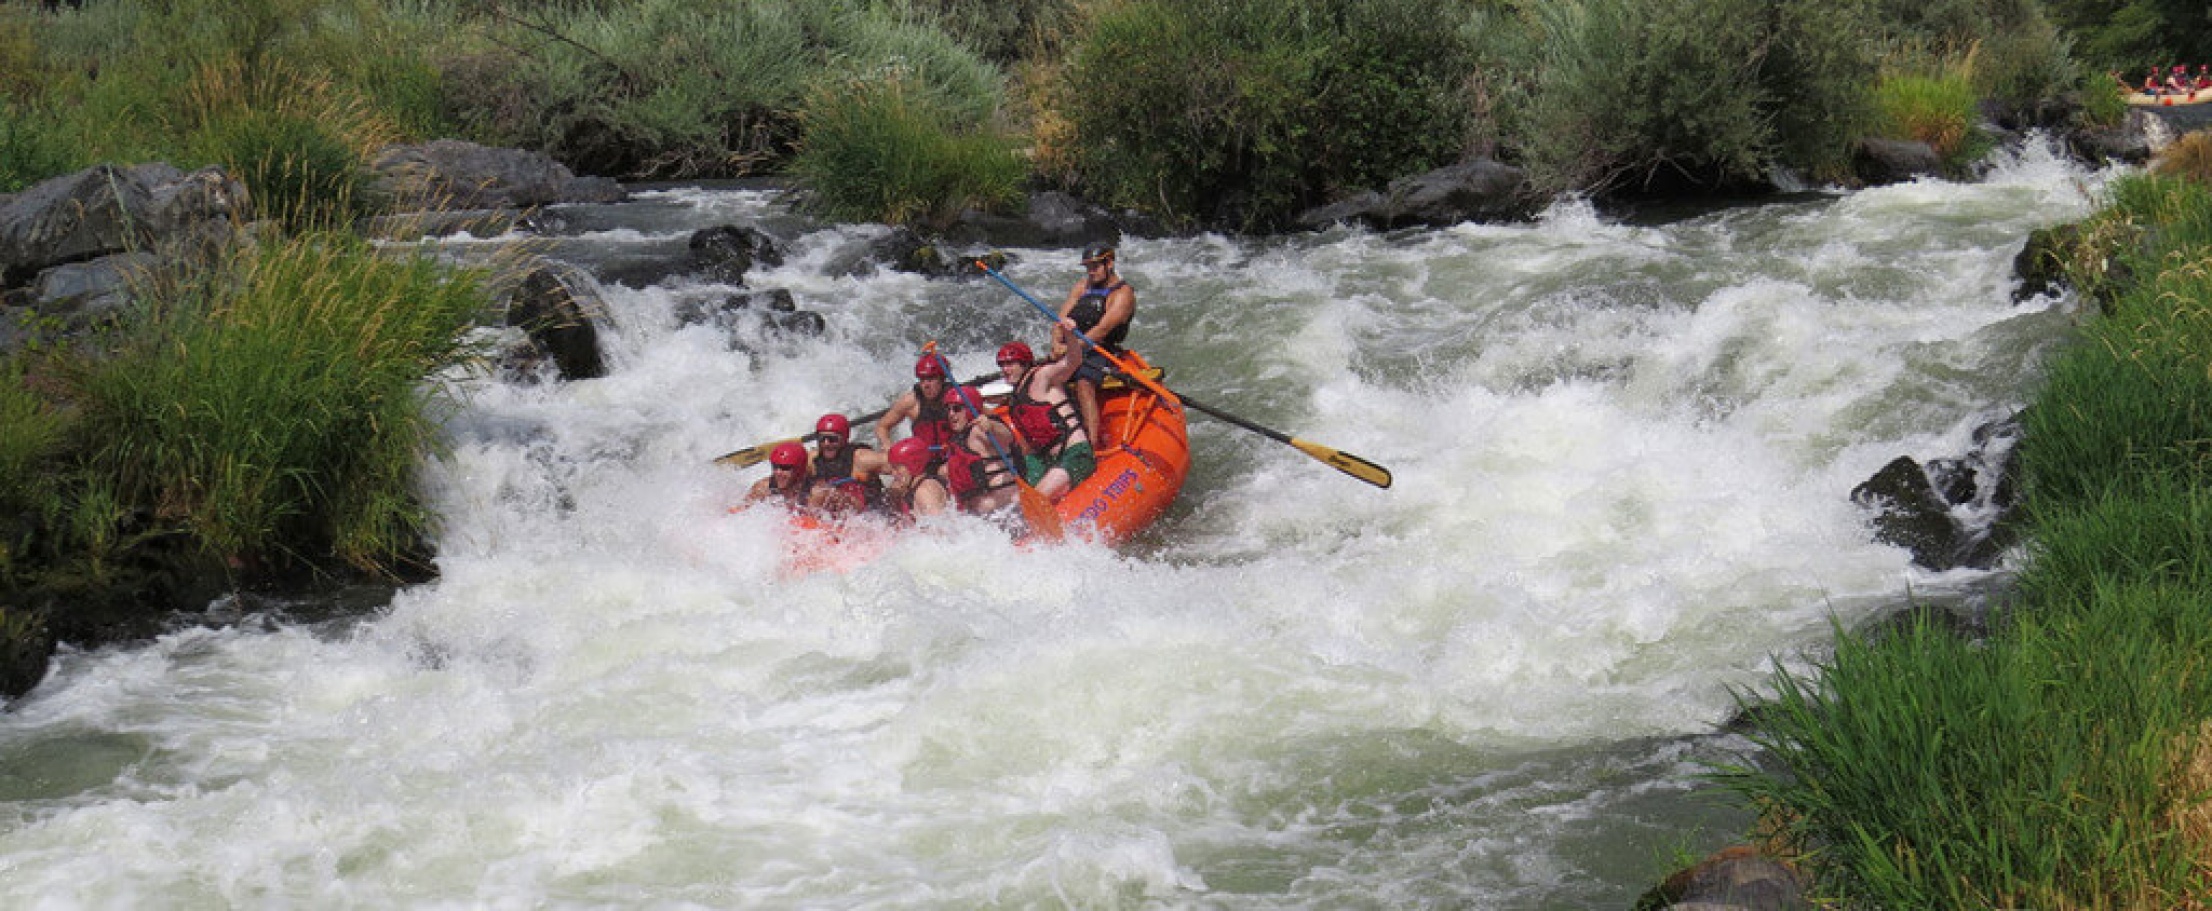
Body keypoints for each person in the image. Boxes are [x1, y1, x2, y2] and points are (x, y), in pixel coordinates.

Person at [1057, 242, 1135, 450]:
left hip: (1101, 349)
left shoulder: (1122, 293)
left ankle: (1090, 443)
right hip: (1072, 348)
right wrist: (1056, 343)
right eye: (1087, 267)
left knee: (1083, 382)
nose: (1090, 272)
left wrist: (1072, 348)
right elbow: (1060, 319)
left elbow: (1102, 330)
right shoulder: (1081, 287)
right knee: (1044, 380)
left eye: (1095, 266)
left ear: (1109, 263)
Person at [996, 334, 1093, 501]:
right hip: (1046, 460)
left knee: (1035, 497)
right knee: (1015, 500)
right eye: (1002, 365)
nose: (1005, 370)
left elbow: (1073, 361)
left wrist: (1070, 335)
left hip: (1075, 455)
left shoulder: (1043, 377)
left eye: (1010, 364)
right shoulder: (1016, 399)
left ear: (1025, 363)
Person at [938, 385, 1022, 516]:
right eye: (947, 410)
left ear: (970, 409)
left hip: (1007, 511)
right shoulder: (960, 437)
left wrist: (991, 426)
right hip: (980, 518)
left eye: (957, 409)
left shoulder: (980, 431)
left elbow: (1008, 437)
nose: (951, 414)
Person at [873, 354, 955, 470]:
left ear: (942, 379)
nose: (926, 385)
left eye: (931, 379)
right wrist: (887, 445)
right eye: (922, 380)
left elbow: (983, 416)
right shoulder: (911, 402)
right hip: (923, 464)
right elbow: (882, 426)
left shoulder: (957, 397)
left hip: (952, 461)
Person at [806, 413, 886, 515]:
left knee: (820, 493)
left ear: (844, 439)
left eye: (832, 439)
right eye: (822, 439)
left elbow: (897, 463)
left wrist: (898, 487)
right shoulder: (812, 459)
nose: (826, 443)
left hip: (865, 513)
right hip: (830, 511)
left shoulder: (861, 458)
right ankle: (810, 523)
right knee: (817, 492)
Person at [883, 437, 951, 519]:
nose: (893, 473)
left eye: (897, 467)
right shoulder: (914, 487)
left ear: (914, 465)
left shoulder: (925, 491)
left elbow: (939, 529)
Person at [745, 441, 814, 508]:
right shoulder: (762, 489)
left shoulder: (813, 494)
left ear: (799, 470)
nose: (778, 472)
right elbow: (740, 512)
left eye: (785, 468)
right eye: (775, 466)